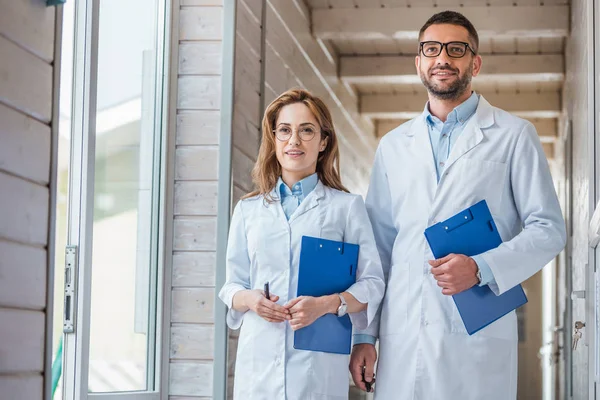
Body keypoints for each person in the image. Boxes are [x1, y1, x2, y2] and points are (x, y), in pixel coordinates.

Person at [349, 10, 567, 400]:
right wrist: (365, 335)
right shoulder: (394, 146)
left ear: (475, 62)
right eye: (431, 49)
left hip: (476, 336)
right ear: (419, 62)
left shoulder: (514, 136)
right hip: (403, 333)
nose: (442, 58)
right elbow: (377, 250)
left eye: (456, 49)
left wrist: (481, 268)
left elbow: (549, 229)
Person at [218, 88, 385, 399]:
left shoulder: (346, 208)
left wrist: (323, 305)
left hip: (317, 366)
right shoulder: (249, 209)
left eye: (306, 130)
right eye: (284, 130)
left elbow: (373, 284)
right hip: (258, 364)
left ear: (323, 141)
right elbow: (231, 286)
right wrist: (252, 299)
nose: (294, 140)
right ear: (274, 139)